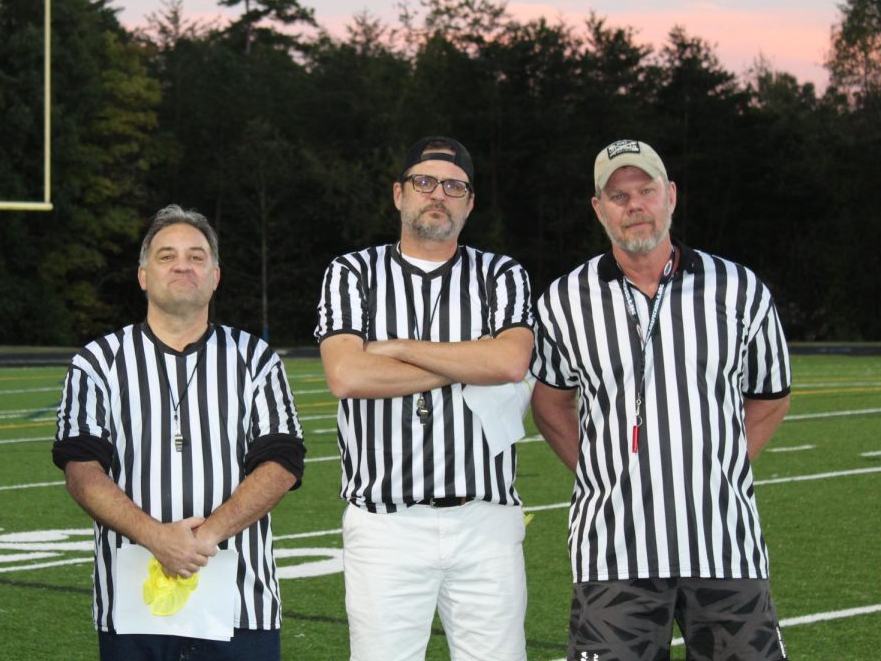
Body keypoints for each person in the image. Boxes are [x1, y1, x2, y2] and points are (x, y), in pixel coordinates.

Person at [531, 139, 791, 660]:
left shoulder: (739, 290)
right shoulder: (563, 300)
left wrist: (721, 467)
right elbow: (551, 403)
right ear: (599, 208)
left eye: (646, 189)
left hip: (724, 545)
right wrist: (601, 473)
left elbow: (770, 396)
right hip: (614, 552)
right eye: (618, 195)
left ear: (670, 195)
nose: (635, 206)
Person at [53, 204, 306, 661]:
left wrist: (203, 537)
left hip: (241, 603)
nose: (183, 265)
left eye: (196, 256)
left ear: (215, 275)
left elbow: (281, 463)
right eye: (167, 256)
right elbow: (82, 471)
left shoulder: (256, 360)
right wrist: (156, 536)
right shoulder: (96, 363)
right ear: (143, 275)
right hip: (132, 607)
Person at [315, 136, 535, 661]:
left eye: (455, 186)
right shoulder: (352, 273)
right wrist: (467, 362)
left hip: (484, 520)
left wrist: (397, 351)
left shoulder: (501, 275)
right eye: (425, 182)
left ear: (470, 202)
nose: (439, 194)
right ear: (399, 193)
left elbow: (508, 363)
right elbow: (346, 374)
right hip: (385, 523)